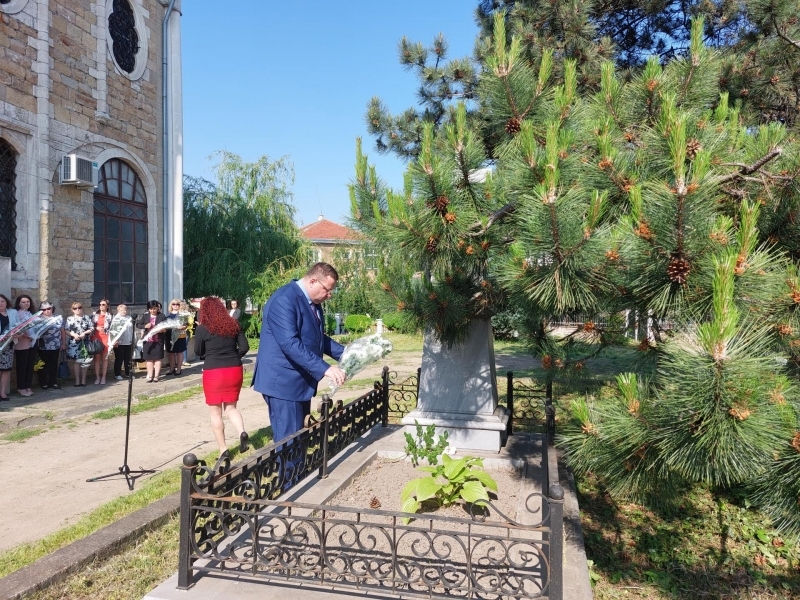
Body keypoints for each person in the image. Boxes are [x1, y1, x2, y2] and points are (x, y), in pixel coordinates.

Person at [252, 262, 346, 444]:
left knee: (299, 439)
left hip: (298, 382)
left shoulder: (312, 301)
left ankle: (297, 473)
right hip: (283, 384)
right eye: (327, 290)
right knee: (289, 443)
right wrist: (325, 368)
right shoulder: (284, 299)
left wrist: (348, 353)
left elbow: (317, 338)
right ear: (312, 281)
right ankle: (289, 474)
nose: (329, 295)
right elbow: (290, 343)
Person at [194, 296, 250, 464]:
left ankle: (223, 449)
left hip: (214, 371)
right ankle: (241, 432)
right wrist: (234, 356)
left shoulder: (203, 328)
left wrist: (208, 354)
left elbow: (198, 351)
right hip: (234, 369)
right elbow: (245, 347)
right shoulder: (234, 324)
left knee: (215, 412)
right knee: (231, 408)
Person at [36, 301, 65, 390]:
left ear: (52, 308)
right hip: (43, 345)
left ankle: (53, 382)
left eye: (48, 308)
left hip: (55, 345)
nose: (47, 311)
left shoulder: (58, 317)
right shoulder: (38, 319)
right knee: (43, 365)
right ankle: (44, 383)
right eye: (44, 309)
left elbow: (62, 331)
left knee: (53, 364)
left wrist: (63, 343)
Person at [136, 300, 166, 382]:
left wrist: (161, 330)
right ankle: (150, 376)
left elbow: (166, 328)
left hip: (158, 341)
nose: (153, 310)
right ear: (148, 309)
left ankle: (156, 376)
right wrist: (145, 326)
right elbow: (138, 324)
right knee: (149, 359)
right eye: (151, 309)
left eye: (154, 308)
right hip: (148, 341)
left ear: (157, 308)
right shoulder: (145, 316)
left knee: (158, 359)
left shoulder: (162, 316)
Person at [13, 294, 37, 397]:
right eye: (23, 302)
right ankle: (21, 387)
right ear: (19, 303)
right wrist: (26, 335)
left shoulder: (32, 314)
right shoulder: (17, 314)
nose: (26, 303)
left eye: (27, 301)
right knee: (22, 366)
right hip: (22, 343)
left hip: (32, 342)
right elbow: (16, 329)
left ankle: (28, 386)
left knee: (29, 365)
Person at [65, 302, 94, 387]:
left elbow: (92, 328)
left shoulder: (87, 317)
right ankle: (77, 380)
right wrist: (73, 335)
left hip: (84, 342)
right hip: (74, 342)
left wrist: (84, 333)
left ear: (82, 308)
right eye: (75, 308)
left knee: (85, 361)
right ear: (72, 310)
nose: (77, 309)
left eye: (79, 307)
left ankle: (83, 379)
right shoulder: (70, 319)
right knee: (77, 361)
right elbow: (66, 330)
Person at [0, 294, 21, 401]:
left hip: (9, 345)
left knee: (6, 370)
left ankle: (2, 392)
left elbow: (19, 326)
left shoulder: (13, 312)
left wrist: (18, 334)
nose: (0, 303)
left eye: (2, 301)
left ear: (6, 302)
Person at [164, 298, 187, 376]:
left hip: (179, 335)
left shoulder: (182, 314)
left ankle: (179, 369)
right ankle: (171, 368)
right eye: (174, 304)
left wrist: (182, 327)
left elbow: (186, 324)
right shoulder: (168, 314)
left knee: (179, 352)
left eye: (177, 304)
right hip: (169, 335)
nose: (175, 305)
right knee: (171, 352)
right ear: (171, 305)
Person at [110, 304, 134, 380]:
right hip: (119, 342)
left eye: (125, 309)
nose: (123, 311)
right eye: (121, 310)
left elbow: (132, 329)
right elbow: (113, 331)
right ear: (118, 311)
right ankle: (117, 374)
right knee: (119, 358)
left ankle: (128, 373)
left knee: (128, 359)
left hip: (128, 341)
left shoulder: (129, 318)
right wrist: (115, 341)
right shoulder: (116, 319)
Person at [91, 299, 111, 385]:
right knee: (97, 359)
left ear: (107, 306)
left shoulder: (110, 315)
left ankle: (103, 377)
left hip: (106, 337)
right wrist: (96, 328)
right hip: (96, 337)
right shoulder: (95, 315)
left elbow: (113, 328)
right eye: (100, 304)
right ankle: (97, 377)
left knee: (105, 358)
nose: (101, 306)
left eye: (103, 304)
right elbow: (90, 326)